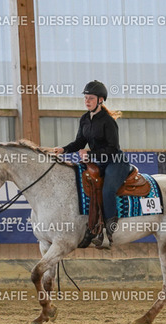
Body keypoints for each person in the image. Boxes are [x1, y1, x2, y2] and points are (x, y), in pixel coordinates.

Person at [53, 80, 130, 248]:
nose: (87, 101)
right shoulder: (84, 119)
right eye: (85, 98)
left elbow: (112, 149)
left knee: (107, 190)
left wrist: (90, 154)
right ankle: (91, 226)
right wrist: (63, 149)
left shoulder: (108, 121)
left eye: (91, 98)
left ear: (100, 100)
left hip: (115, 162)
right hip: (98, 162)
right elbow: (79, 142)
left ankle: (109, 231)